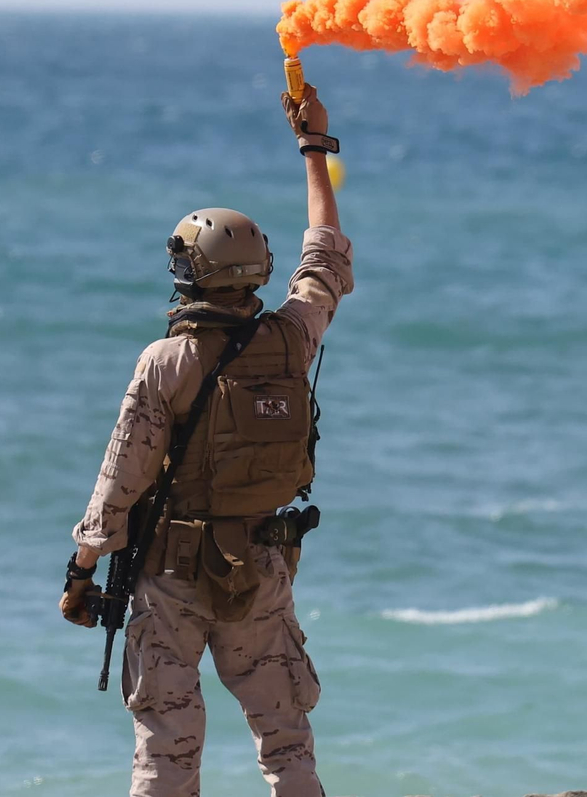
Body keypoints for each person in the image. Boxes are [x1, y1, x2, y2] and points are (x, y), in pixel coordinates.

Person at [60, 83, 351, 797]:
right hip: (262, 567)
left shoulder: (167, 361)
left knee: (166, 748)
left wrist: (82, 570)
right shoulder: (291, 339)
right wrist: (315, 148)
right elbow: (327, 259)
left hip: (171, 577)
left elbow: (120, 481)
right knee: (286, 744)